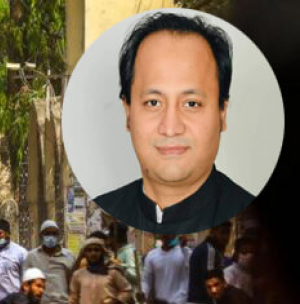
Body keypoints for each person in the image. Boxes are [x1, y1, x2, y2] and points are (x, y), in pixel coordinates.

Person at [94, 13, 253, 234]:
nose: (170, 128)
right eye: (153, 102)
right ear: (128, 112)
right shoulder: (109, 206)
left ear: (222, 113)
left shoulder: (248, 212)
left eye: (191, 104)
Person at [188, 221, 232, 304]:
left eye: (228, 233)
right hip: (202, 302)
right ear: (213, 231)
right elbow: (211, 280)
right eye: (222, 233)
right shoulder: (209, 250)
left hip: (199, 301)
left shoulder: (212, 249)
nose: (226, 237)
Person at [142, 235, 190, 304]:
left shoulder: (185, 253)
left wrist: (182, 248)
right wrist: (143, 292)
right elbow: (146, 280)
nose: (167, 236)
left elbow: (190, 273)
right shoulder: (152, 255)